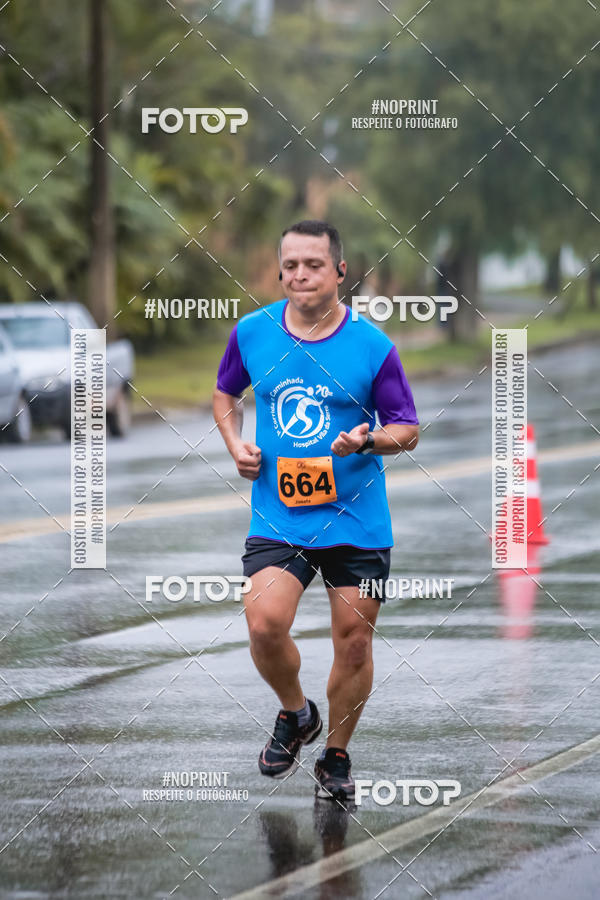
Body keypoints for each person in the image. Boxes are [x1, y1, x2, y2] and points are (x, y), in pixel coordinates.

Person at [213, 220, 419, 802]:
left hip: (357, 519)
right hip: (280, 514)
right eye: (291, 265)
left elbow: (408, 428)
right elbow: (224, 393)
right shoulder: (251, 333)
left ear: (340, 272)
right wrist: (237, 445)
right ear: (280, 270)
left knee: (354, 641)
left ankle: (336, 756)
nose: (300, 274)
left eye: (313, 265)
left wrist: (368, 441)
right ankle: (296, 712)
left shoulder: (374, 347)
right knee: (264, 623)